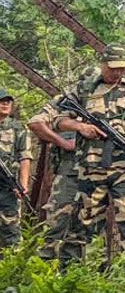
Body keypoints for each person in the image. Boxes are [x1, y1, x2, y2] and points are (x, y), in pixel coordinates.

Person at [51, 45, 125, 264]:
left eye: (122, 69)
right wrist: (80, 127)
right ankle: (83, 272)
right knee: (85, 220)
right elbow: (57, 120)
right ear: (102, 64)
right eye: (113, 68)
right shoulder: (84, 90)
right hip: (91, 168)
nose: (118, 73)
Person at [27, 101, 81, 262]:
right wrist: (62, 142)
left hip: (102, 173)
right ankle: (45, 270)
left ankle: (76, 273)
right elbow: (35, 122)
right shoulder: (67, 100)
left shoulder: (117, 95)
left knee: (84, 228)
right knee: (58, 221)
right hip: (69, 171)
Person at [0, 87, 33, 249]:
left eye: (8, 101)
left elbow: (25, 156)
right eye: (1, 100)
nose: (5, 103)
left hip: (7, 186)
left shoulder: (18, 128)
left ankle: (12, 269)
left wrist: (22, 184)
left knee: (11, 230)